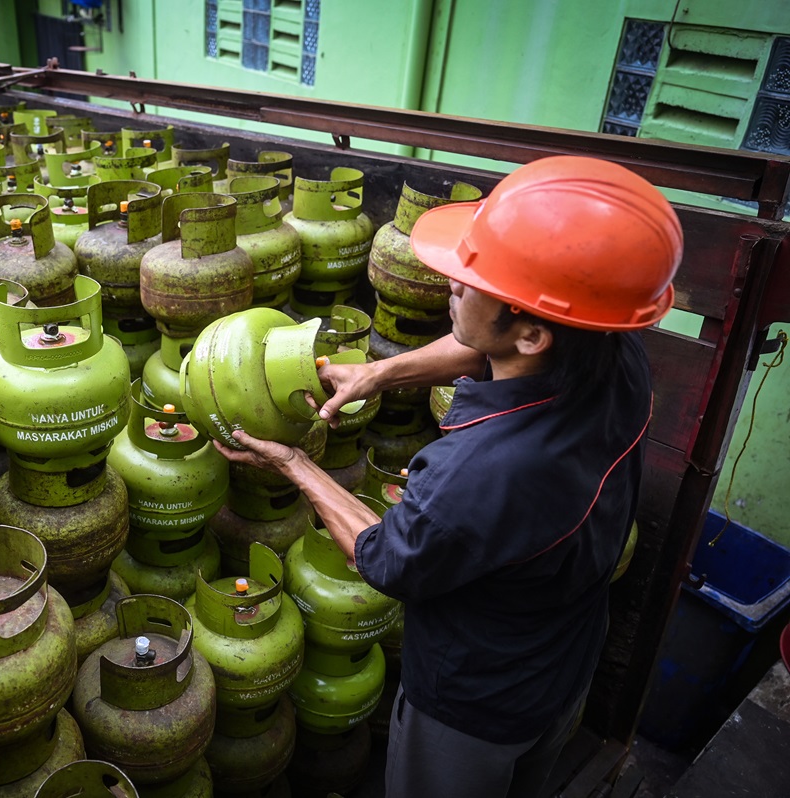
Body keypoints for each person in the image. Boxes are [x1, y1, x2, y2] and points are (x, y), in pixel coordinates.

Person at [214, 156, 683, 798]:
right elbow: (494, 343)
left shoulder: (480, 472)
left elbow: (384, 558)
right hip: (567, 651)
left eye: (473, 280)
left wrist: (295, 463)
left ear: (534, 334)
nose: (453, 285)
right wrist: (378, 372)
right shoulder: (616, 355)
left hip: (478, 702)